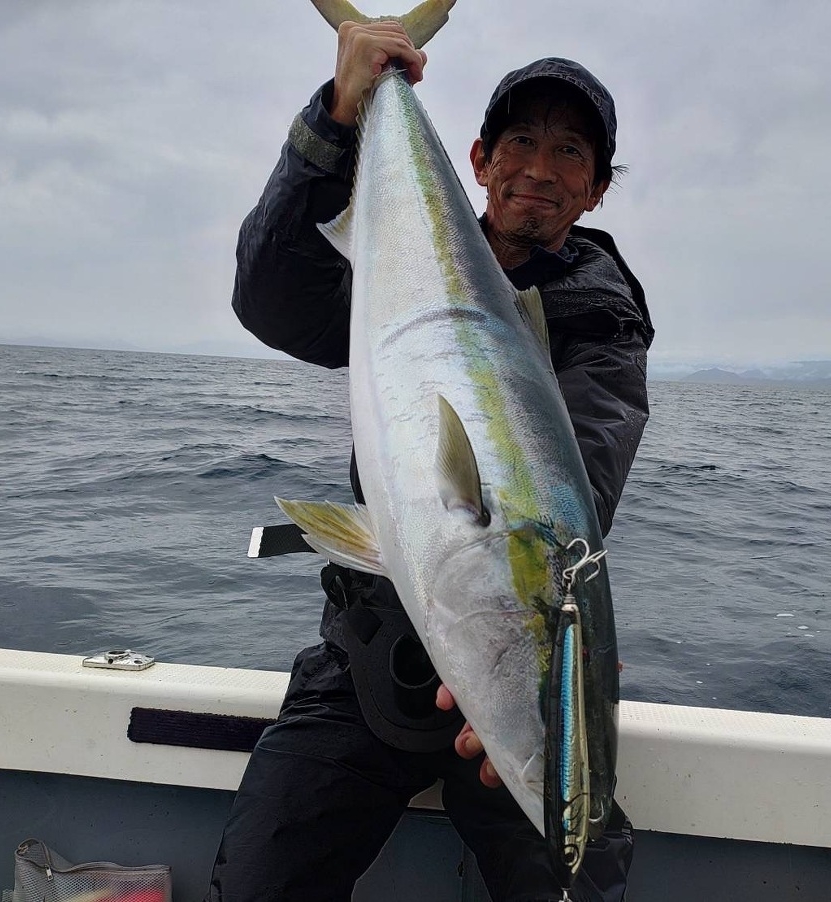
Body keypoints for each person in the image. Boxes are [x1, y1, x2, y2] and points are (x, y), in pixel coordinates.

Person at [207, 20, 654, 902]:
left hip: (498, 672)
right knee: (258, 881)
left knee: (576, 881)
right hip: (367, 654)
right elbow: (268, 299)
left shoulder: (605, 321)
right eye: (520, 142)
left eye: (571, 152)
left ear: (596, 189)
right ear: (480, 160)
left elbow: (572, 499)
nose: (540, 168)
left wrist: (513, 698)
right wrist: (337, 116)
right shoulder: (398, 266)